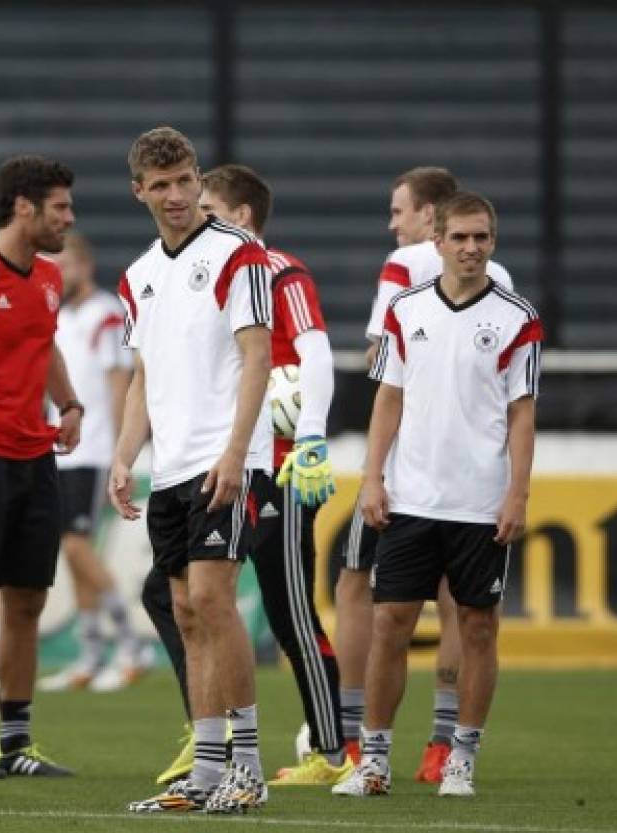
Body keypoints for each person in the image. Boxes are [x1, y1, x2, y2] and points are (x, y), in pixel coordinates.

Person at [138, 163, 350, 789]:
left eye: (206, 200)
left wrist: (309, 437)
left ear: (242, 216)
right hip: (206, 460)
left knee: (288, 611)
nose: (192, 208)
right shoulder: (179, 274)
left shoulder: (274, 269)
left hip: (273, 461)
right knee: (171, 595)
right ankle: (210, 733)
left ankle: (331, 748)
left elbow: (311, 350)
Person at [333, 191, 541, 799]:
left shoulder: (516, 317)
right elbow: (389, 397)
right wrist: (373, 476)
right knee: (390, 623)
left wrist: (517, 494)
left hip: (479, 500)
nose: (472, 248)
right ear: (439, 242)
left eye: (482, 238)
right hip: (411, 497)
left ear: (492, 242)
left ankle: (461, 758)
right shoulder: (405, 309)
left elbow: (522, 413)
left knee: (478, 628)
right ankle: (373, 761)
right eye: (461, 238)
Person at [114, 127, 273, 815]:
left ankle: (250, 763)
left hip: (225, 458)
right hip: (172, 467)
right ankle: (207, 770)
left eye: (185, 180)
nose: (176, 195)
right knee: (184, 608)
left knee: (212, 600)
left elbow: (259, 355)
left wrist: (237, 451)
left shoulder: (239, 253)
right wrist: (124, 455)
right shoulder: (140, 274)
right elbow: (144, 375)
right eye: (162, 184)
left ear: (197, 178)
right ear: (140, 191)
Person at [0, 155, 81, 779]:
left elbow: (43, 338)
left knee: (28, 599)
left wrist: (70, 401)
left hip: (36, 457)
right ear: (24, 208)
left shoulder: (50, 276)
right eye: (60, 207)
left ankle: (16, 744)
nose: (68, 219)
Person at [39, 231, 148, 694]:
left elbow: (120, 381)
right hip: (62, 450)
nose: (60, 276)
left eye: (66, 266)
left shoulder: (106, 314)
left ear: (84, 266)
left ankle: (130, 642)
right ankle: (88, 654)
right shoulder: (57, 316)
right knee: (72, 547)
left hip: (96, 448)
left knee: (78, 546)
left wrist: (123, 446)